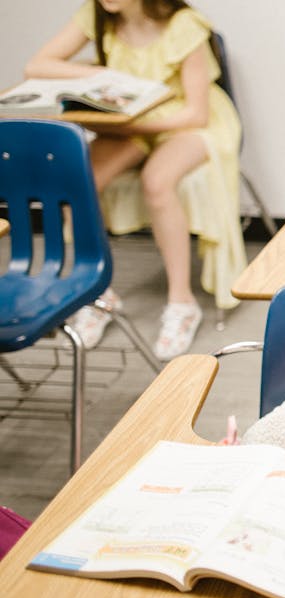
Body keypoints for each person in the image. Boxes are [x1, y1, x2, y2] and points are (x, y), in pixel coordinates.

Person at [25, 0, 245, 360]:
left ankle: (181, 302)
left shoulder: (185, 24)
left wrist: (131, 122)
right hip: (132, 122)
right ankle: (96, 292)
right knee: (77, 182)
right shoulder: (96, 17)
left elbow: (197, 112)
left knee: (157, 181)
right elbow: (37, 65)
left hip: (190, 124)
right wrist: (100, 78)